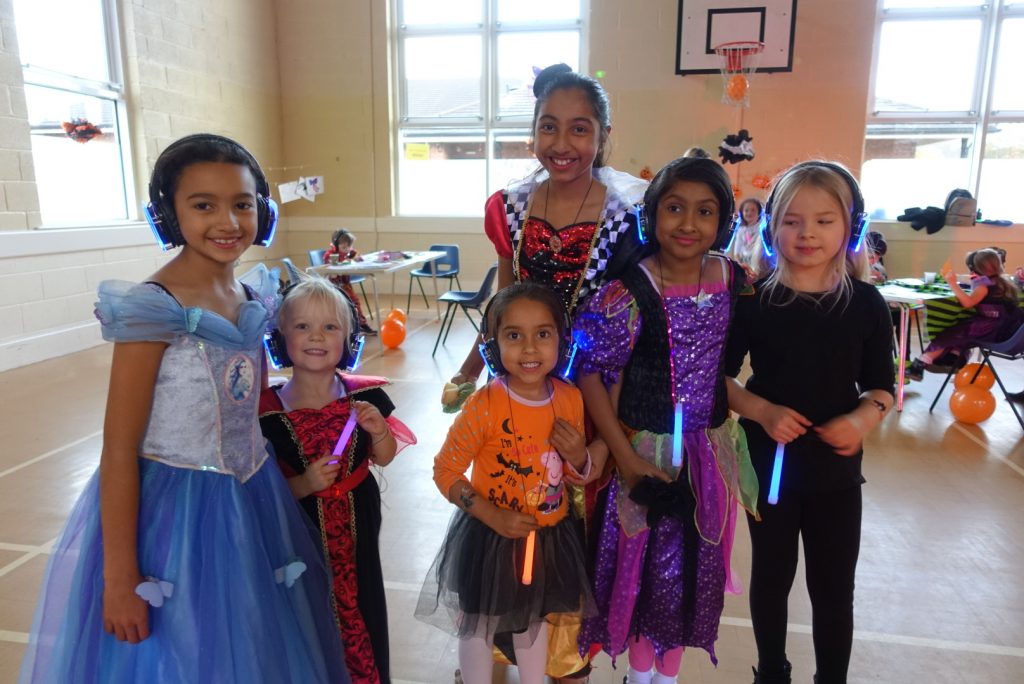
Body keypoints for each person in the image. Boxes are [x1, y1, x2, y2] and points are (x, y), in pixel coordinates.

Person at [18, 134, 349, 683]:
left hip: (254, 502)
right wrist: (119, 578)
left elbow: (249, 408)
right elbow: (118, 448)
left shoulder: (253, 298)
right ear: (169, 215)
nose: (227, 221)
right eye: (203, 205)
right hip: (175, 522)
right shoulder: (154, 308)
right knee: (185, 654)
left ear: (262, 212)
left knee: (253, 643)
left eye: (242, 204)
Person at [573, 156, 759, 683]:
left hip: (708, 458)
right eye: (674, 208)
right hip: (645, 453)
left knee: (692, 573)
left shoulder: (733, 280)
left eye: (705, 211)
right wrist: (625, 457)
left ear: (723, 221)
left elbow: (727, 369)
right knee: (643, 572)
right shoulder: (629, 291)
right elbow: (591, 374)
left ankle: (668, 675)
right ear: (652, 213)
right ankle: (639, 674)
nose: (688, 223)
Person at [723, 161, 895, 684]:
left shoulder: (866, 304)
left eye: (824, 221)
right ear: (772, 227)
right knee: (772, 577)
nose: (807, 233)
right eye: (793, 221)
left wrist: (861, 420)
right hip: (770, 465)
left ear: (851, 229)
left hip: (836, 473)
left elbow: (882, 388)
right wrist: (762, 411)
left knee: (834, 587)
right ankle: (771, 672)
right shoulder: (753, 301)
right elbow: (720, 380)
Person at [416, 282, 596, 684]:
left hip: (549, 539)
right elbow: (445, 471)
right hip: (490, 540)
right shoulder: (484, 406)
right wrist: (492, 515)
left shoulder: (570, 399)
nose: (529, 348)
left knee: (534, 621)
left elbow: (569, 475)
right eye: (514, 336)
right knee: (479, 625)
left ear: (561, 340)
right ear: (494, 345)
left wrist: (580, 457)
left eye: (542, 334)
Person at [444, 62, 647, 412]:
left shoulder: (626, 217)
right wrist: (469, 370)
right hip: (521, 373)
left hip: (594, 387)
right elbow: (503, 303)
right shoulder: (510, 208)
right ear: (534, 131)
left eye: (579, 129)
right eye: (549, 127)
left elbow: (633, 320)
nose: (561, 144)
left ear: (603, 135)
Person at [259, 276, 416, 684]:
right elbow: (264, 493)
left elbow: (384, 457)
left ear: (348, 338)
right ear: (281, 336)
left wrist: (378, 431)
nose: (316, 336)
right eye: (302, 326)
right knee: (310, 610)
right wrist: (306, 483)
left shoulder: (363, 397)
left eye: (330, 327)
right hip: (301, 532)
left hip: (358, 524)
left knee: (361, 603)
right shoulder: (268, 412)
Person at [906, 248, 1022, 381]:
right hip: (1006, 329)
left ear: (976, 269)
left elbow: (968, 303)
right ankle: (953, 358)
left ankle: (919, 365)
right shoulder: (1003, 282)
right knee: (963, 330)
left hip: (991, 328)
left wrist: (952, 284)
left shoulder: (983, 287)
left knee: (951, 333)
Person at [325, 228, 376, 335]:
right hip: (333, 285)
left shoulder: (349, 252)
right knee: (351, 302)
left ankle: (360, 324)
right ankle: (357, 325)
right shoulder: (331, 254)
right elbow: (330, 268)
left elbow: (355, 255)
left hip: (345, 284)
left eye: (349, 246)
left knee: (354, 301)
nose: (347, 249)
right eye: (344, 247)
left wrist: (356, 258)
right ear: (336, 245)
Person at [727, 197, 766, 279]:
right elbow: (737, 250)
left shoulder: (761, 227)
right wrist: (739, 266)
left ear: (759, 212)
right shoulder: (741, 230)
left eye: (753, 210)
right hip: (745, 260)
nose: (749, 213)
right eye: (746, 210)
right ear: (742, 213)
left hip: (759, 262)